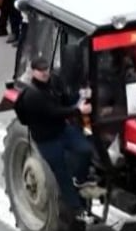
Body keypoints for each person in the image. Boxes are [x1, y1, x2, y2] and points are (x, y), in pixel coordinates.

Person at [13, 59, 93, 214]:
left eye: (46, 68)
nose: (44, 72)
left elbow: (65, 100)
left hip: (62, 129)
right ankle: (78, 209)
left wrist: (80, 95)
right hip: (47, 139)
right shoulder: (32, 95)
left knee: (85, 149)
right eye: (40, 70)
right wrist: (78, 111)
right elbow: (53, 112)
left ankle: (80, 179)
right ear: (33, 71)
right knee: (61, 173)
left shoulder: (55, 81)